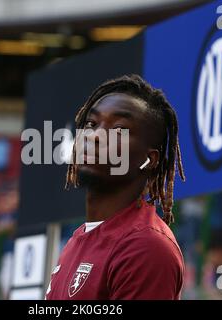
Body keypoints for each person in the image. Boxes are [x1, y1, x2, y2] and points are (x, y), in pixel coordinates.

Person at [45, 74, 185, 300]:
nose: (95, 136)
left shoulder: (145, 247)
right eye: (91, 124)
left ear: (150, 159)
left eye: (119, 129)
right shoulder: (77, 239)